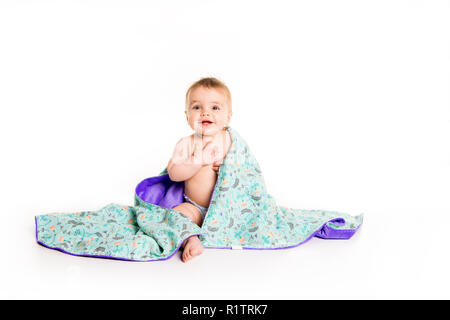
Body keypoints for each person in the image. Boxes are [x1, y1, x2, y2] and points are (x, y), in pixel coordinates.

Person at [167, 77, 233, 262]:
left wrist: (231, 169)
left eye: (215, 108)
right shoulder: (187, 144)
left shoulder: (231, 142)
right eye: (197, 107)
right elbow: (174, 174)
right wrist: (195, 162)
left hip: (228, 209)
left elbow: (251, 172)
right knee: (177, 215)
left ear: (228, 116)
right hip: (195, 207)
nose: (205, 113)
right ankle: (190, 238)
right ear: (188, 116)